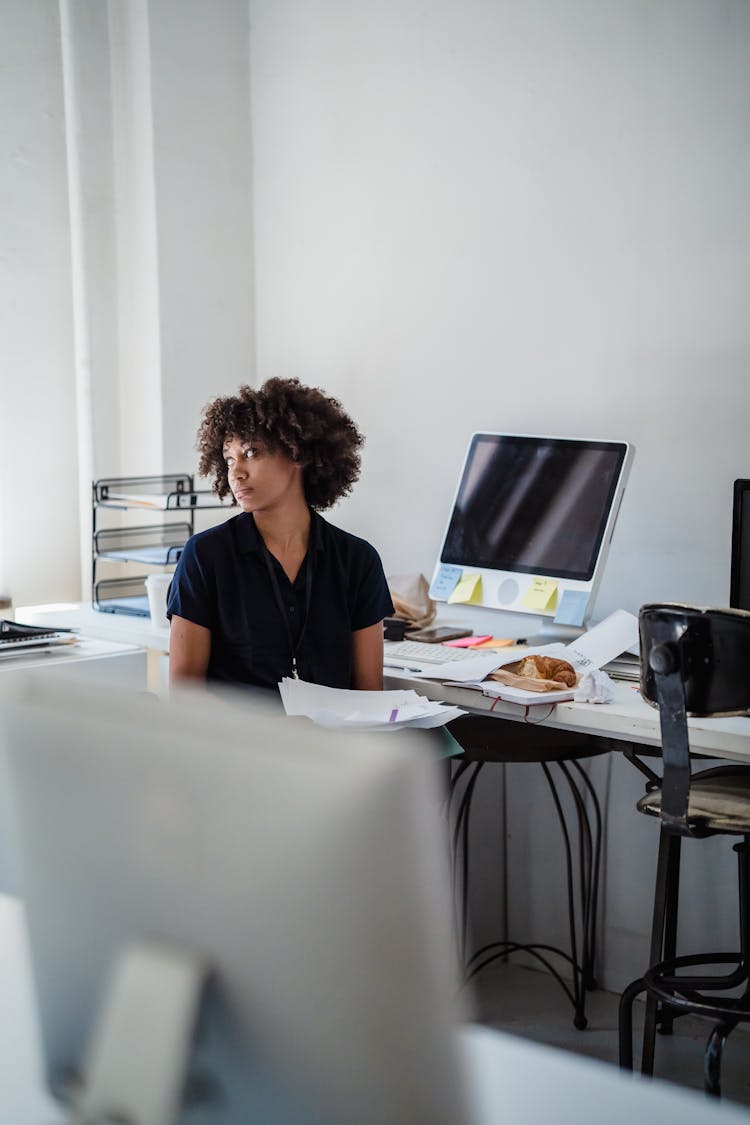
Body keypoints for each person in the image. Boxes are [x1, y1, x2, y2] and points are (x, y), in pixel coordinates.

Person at [167, 378, 394, 691]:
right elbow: (185, 695)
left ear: (296, 452)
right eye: (229, 458)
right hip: (237, 739)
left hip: (331, 738)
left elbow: (369, 694)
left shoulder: (358, 561)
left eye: (251, 452)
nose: (236, 472)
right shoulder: (206, 556)